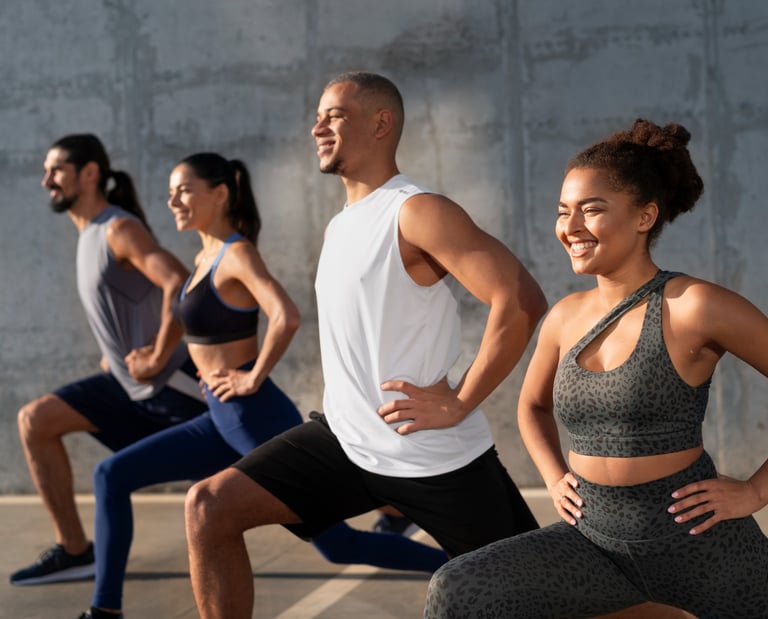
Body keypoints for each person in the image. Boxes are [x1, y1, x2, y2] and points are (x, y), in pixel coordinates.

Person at [183, 71, 548, 619]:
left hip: (431, 456)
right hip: (346, 442)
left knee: (553, 599)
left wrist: (461, 399)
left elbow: (520, 300)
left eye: (334, 115)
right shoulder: (341, 225)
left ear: (382, 123)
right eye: (318, 116)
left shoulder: (416, 209)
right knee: (208, 507)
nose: (317, 127)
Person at [76, 152, 449, 619]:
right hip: (218, 419)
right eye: (171, 191)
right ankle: (104, 610)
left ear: (220, 194)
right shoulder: (202, 256)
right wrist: (147, 359)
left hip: (256, 419)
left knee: (337, 546)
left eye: (184, 189)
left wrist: (253, 374)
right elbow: (194, 331)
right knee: (111, 475)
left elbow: (285, 314)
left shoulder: (236, 253)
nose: (173, 199)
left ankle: (456, 565)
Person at [423, 119, 768, 618]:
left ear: (645, 215)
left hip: (698, 545)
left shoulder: (693, 305)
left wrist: (756, 491)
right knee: (459, 590)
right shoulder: (564, 317)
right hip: (594, 542)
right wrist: (554, 473)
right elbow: (532, 405)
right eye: (564, 211)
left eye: (592, 209)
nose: (571, 226)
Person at [11, 134, 207, 587]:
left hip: (171, 386)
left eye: (57, 169)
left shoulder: (118, 227)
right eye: (47, 170)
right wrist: (113, 354)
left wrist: (158, 353)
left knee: (268, 474)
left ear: (90, 173)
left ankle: (389, 504)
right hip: (128, 387)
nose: (46, 180)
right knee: (35, 421)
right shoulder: (89, 233)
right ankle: (76, 551)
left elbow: (178, 280)